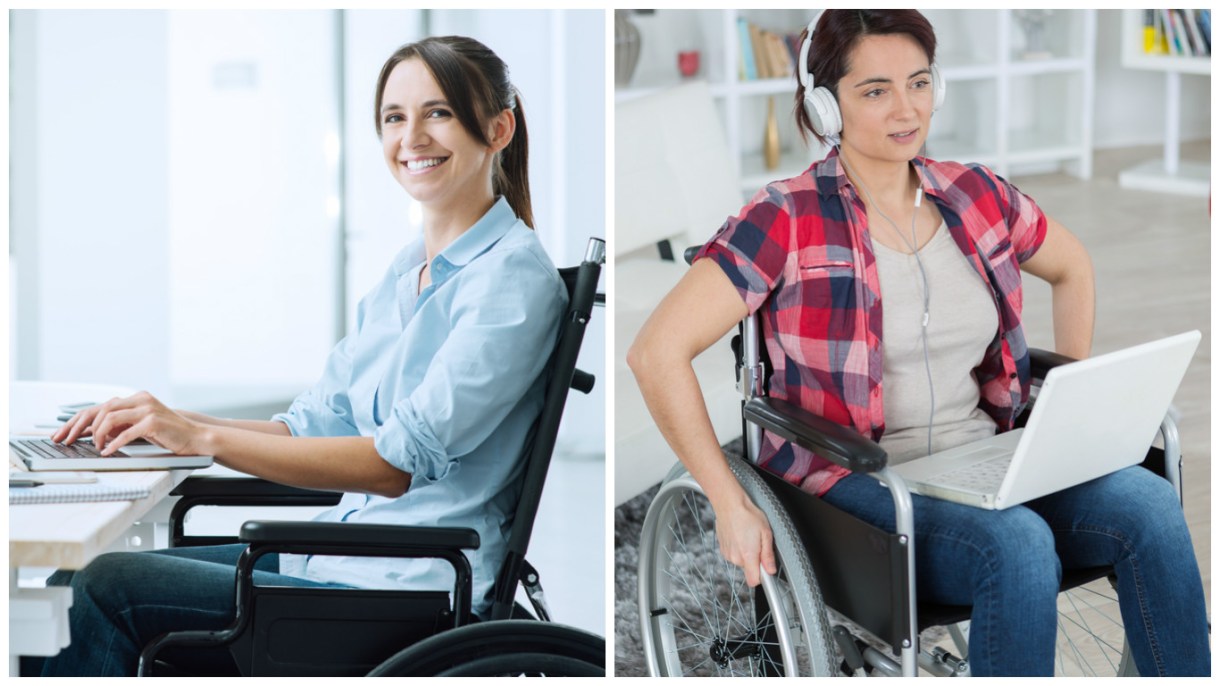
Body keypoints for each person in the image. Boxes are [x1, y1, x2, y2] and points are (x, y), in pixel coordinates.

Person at [628, 9, 1209, 677]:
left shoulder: (976, 192)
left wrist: (1066, 412)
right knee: (1015, 547)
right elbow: (656, 351)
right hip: (860, 483)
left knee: (1150, 506)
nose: (906, 109)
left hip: (985, 459)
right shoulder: (786, 216)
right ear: (825, 106)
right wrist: (728, 502)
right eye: (875, 91)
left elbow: (1073, 266)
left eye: (920, 82)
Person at [37, 35, 567, 677]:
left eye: (439, 112)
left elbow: (393, 468)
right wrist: (166, 422)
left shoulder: (510, 279)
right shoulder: (408, 274)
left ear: (498, 127)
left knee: (100, 591)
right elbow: (310, 426)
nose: (412, 137)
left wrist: (201, 434)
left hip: (402, 589)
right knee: (74, 577)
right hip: (337, 560)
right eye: (394, 118)